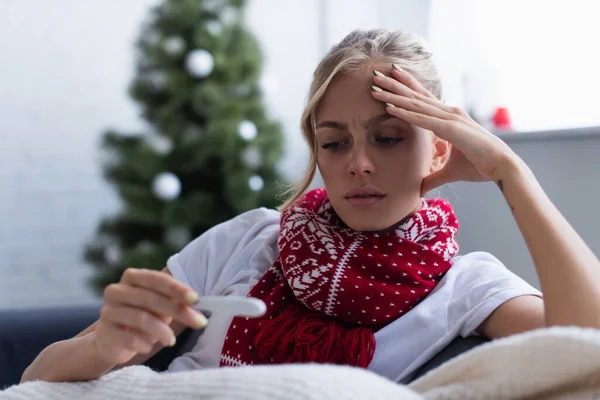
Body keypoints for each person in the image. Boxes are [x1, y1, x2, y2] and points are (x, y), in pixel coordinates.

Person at [22, 29, 600, 385]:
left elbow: (586, 345)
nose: (360, 164)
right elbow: (36, 377)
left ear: (439, 150)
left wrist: (511, 172)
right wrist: (103, 348)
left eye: (390, 137)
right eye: (334, 141)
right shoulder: (249, 241)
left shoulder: (466, 287)